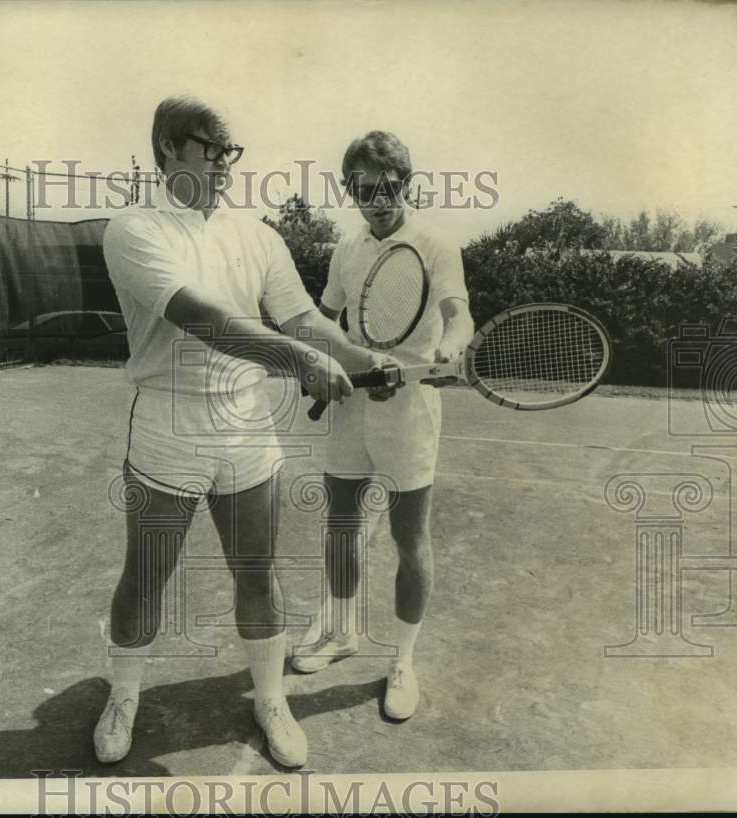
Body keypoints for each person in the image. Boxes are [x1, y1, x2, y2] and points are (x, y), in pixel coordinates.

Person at [94, 97, 399, 768]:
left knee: (257, 571)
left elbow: (302, 321)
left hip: (245, 424)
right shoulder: (133, 229)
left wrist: (363, 359)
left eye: (232, 153)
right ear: (171, 147)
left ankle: (269, 699)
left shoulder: (257, 234)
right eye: (214, 150)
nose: (228, 165)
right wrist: (299, 363)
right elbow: (206, 320)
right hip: (166, 421)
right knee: (146, 577)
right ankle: (123, 696)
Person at [291, 131, 474, 722]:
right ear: (351, 190)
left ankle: (402, 661)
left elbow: (458, 313)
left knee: (408, 539)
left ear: (407, 183)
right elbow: (326, 315)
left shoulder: (436, 245)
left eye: (388, 187)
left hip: (410, 413)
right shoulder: (347, 249)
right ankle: (341, 634)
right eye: (363, 189)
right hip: (352, 405)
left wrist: (449, 345)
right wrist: (316, 359)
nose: (377, 199)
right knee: (341, 529)